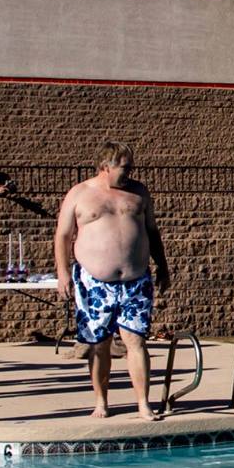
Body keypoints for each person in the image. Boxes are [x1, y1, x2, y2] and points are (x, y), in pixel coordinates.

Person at [53, 141, 172, 419]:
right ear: (106, 166)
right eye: (124, 167)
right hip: (94, 281)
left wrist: (163, 266)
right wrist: (62, 272)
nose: (129, 172)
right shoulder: (80, 193)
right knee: (99, 343)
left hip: (135, 279)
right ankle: (101, 402)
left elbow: (152, 232)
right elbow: (62, 234)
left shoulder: (139, 193)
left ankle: (143, 403)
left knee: (136, 340)